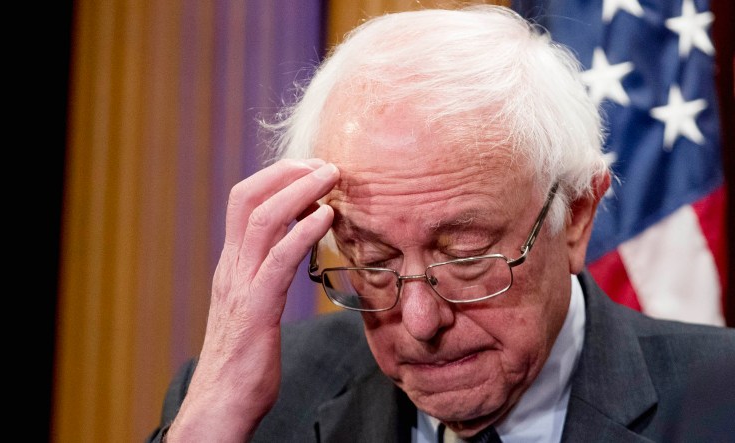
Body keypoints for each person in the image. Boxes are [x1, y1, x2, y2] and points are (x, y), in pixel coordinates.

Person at [147, 5, 735, 442]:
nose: (420, 323)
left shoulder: (722, 400)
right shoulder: (248, 404)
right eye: (374, 264)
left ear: (577, 216)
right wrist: (210, 419)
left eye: (467, 256)